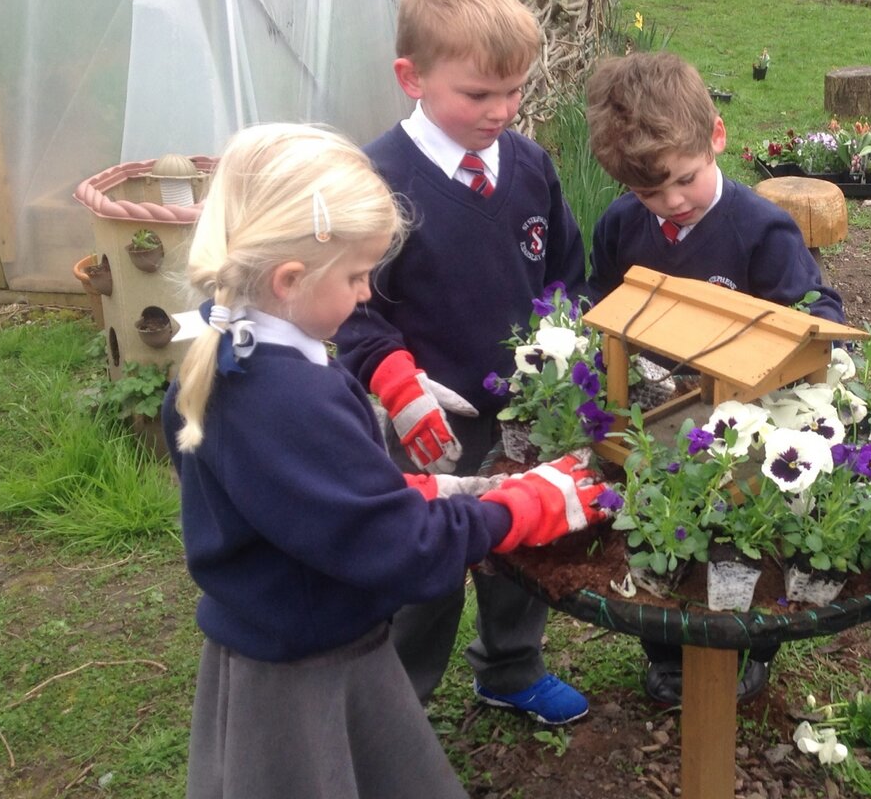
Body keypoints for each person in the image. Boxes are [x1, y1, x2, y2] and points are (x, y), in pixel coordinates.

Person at [163, 123, 611, 799]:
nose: (368, 293)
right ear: (289, 279)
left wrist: (437, 488)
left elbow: (317, 505)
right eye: (356, 275)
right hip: (303, 677)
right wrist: (521, 506)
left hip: (292, 633)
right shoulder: (288, 399)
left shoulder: (238, 355)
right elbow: (399, 548)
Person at [332, 0, 590, 724]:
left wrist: (564, 345)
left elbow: (566, 274)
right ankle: (398, 704)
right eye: (478, 94)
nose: (501, 110)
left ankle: (510, 667)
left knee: (521, 540)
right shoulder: (378, 180)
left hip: (524, 409)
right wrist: (395, 380)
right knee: (425, 565)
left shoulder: (531, 167)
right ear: (412, 77)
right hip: (429, 420)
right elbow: (352, 308)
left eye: (514, 91)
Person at [584, 51, 845, 706]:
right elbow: (603, 304)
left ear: (717, 137)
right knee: (660, 536)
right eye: (650, 193)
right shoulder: (621, 225)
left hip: (745, 428)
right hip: (653, 425)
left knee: (740, 546)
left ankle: (748, 650)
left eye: (684, 180)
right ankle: (667, 650)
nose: (670, 203)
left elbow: (819, 317)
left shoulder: (762, 229)